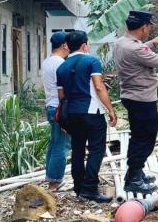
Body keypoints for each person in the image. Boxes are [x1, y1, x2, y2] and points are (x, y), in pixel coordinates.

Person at [113, 10, 158, 194]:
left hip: (131, 97)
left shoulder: (121, 43)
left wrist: (152, 43)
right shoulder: (136, 48)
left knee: (138, 137)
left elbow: (138, 52)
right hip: (142, 99)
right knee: (145, 139)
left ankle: (135, 174)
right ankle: (134, 179)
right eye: (149, 26)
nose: (150, 29)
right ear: (144, 27)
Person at [57, 30, 117, 203]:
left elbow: (61, 96)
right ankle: (90, 188)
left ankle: (78, 187)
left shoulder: (62, 67)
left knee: (77, 149)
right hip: (91, 112)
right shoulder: (91, 61)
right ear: (84, 45)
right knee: (96, 149)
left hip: (72, 113)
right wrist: (111, 110)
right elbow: (99, 87)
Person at [42, 32, 70, 190]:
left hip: (50, 106)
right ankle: (55, 182)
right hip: (60, 107)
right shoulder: (61, 64)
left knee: (54, 143)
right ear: (65, 45)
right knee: (62, 145)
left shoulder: (47, 62)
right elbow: (64, 91)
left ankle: (51, 177)